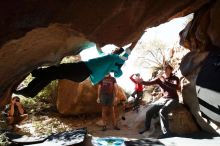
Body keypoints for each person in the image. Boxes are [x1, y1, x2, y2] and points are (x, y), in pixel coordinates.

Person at [14, 42, 138, 98]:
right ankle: (30, 91)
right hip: (81, 72)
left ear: (117, 52)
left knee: (55, 70)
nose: (113, 49)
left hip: (82, 70)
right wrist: (96, 40)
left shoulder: (117, 59)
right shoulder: (107, 58)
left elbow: (129, 50)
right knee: (53, 74)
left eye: (116, 49)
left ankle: (35, 75)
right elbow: (99, 49)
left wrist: (140, 34)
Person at [139, 64, 180, 137]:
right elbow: (149, 83)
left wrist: (164, 81)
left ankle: (166, 133)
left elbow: (176, 87)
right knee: (149, 112)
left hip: (174, 99)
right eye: (164, 69)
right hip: (164, 99)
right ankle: (147, 128)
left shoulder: (175, 78)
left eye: (167, 69)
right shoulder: (159, 79)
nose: (165, 70)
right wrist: (142, 82)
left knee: (162, 111)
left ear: (171, 70)